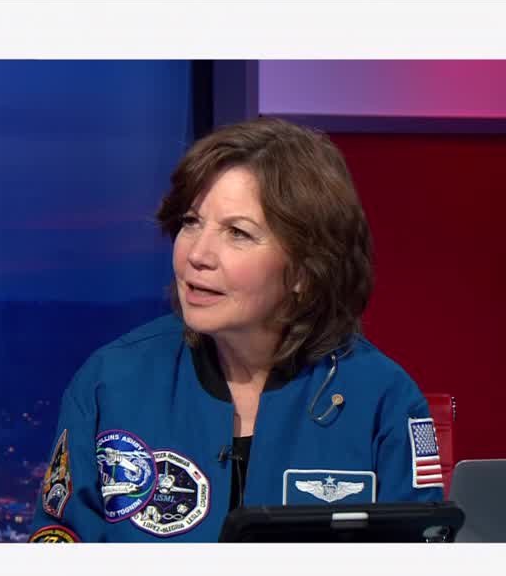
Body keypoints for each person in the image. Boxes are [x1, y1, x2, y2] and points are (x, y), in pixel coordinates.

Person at [28, 117, 442, 543]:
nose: (198, 254)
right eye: (191, 222)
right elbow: (59, 541)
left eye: (237, 233)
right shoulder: (109, 383)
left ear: (305, 268)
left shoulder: (384, 399)